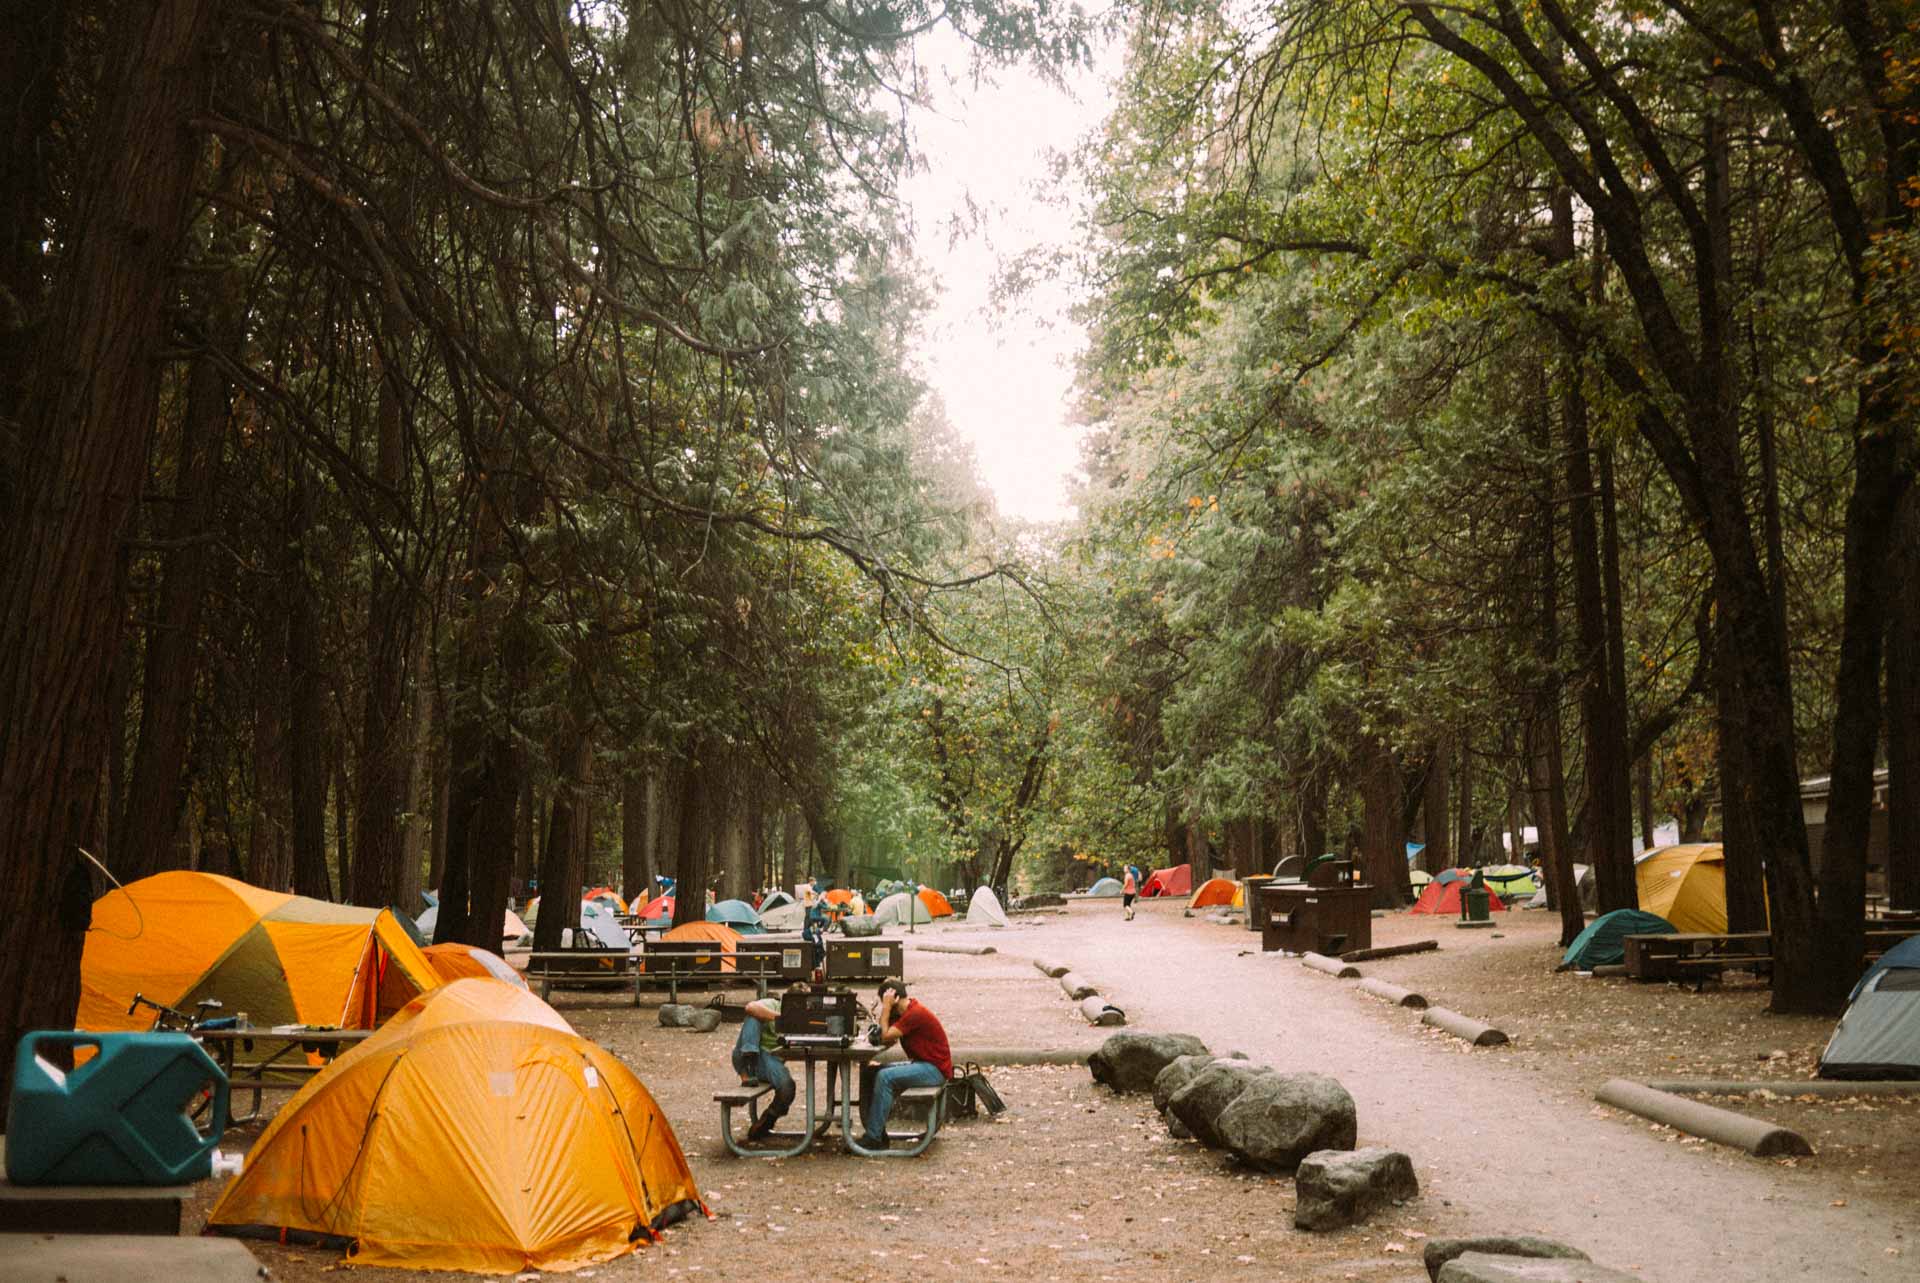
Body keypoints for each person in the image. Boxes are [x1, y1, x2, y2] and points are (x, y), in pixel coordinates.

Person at [859, 978, 950, 1150]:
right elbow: (888, 1037)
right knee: (870, 1072)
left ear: (894, 998)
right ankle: (876, 1131)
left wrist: (886, 1008)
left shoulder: (915, 1013)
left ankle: (874, 1138)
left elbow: (886, 1036)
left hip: (934, 1069)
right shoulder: (906, 1013)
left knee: (884, 1077)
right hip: (923, 1064)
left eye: (886, 1001)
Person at [732, 983, 807, 1142]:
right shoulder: (773, 1005)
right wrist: (780, 1019)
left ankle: (768, 1119)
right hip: (752, 1056)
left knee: (788, 1087)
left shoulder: (803, 1018)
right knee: (753, 1016)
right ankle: (749, 1057)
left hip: (771, 1059)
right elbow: (750, 1007)